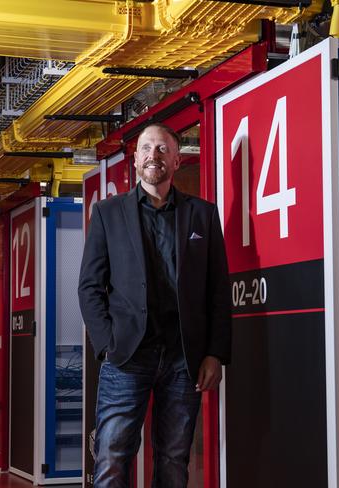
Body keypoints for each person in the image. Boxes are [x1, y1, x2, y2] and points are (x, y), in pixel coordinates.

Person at [78, 123, 231, 488]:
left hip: (184, 358)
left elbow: (218, 290)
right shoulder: (107, 213)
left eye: (163, 150)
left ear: (177, 160)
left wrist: (215, 354)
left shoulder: (203, 215)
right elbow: (89, 287)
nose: (154, 156)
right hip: (127, 356)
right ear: (135, 160)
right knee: (112, 457)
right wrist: (107, 346)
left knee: (174, 459)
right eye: (147, 149)